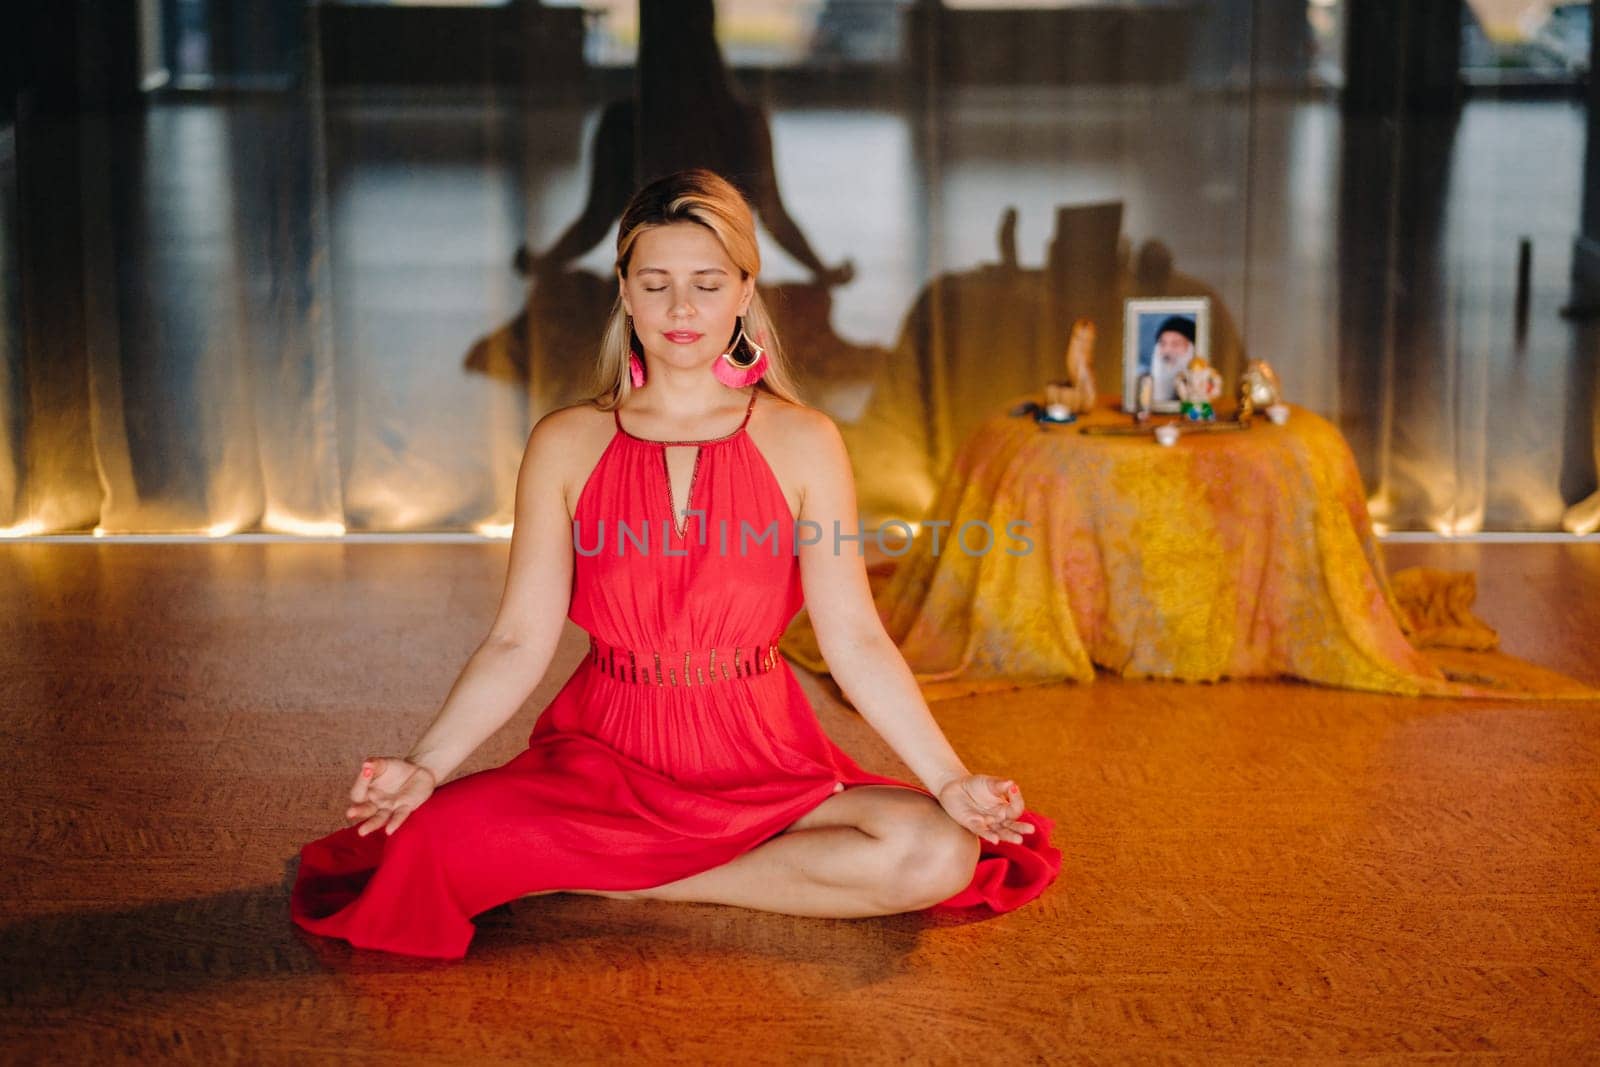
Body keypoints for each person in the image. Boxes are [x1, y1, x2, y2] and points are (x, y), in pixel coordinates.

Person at [290, 170, 1060, 959]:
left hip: (760, 754)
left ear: (743, 290)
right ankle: (617, 852)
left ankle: (621, 874)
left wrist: (949, 779)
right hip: (605, 756)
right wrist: (426, 763)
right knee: (427, 845)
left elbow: (856, 639)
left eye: (706, 283)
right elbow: (519, 640)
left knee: (937, 849)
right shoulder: (565, 441)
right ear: (624, 292)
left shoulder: (805, 441)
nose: (682, 310)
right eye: (656, 284)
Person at [1147, 315, 1198, 405]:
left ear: (1191, 349)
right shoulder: (1144, 383)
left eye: (1176, 344)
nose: (1167, 351)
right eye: (1162, 344)